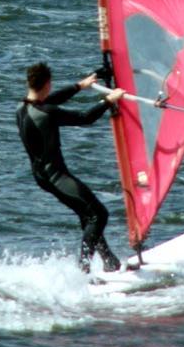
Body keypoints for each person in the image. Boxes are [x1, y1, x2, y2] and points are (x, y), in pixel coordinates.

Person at [17, 62, 126, 272]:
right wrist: (108, 100)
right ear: (47, 84)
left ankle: (109, 261)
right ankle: (83, 269)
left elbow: (51, 101)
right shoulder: (46, 113)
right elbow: (85, 118)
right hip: (56, 177)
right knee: (99, 215)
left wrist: (80, 86)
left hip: (42, 176)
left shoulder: (22, 108)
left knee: (87, 214)